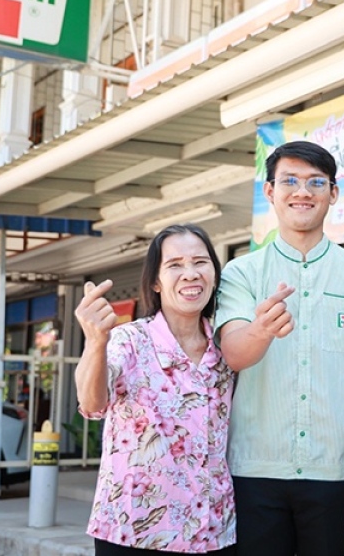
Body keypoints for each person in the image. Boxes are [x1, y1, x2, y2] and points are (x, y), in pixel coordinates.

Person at [216, 140, 344, 556]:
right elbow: (233, 354)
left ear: (333, 193)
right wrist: (261, 330)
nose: (302, 192)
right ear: (270, 191)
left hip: (339, 471)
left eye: (315, 182)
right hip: (255, 471)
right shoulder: (241, 273)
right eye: (289, 181)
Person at [74, 224, 235, 556]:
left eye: (200, 262)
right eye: (175, 265)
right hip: (135, 531)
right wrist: (95, 342)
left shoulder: (226, 348)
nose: (190, 274)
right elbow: (92, 402)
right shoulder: (129, 340)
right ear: (156, 282)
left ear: (214, 275)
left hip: (212, 531)